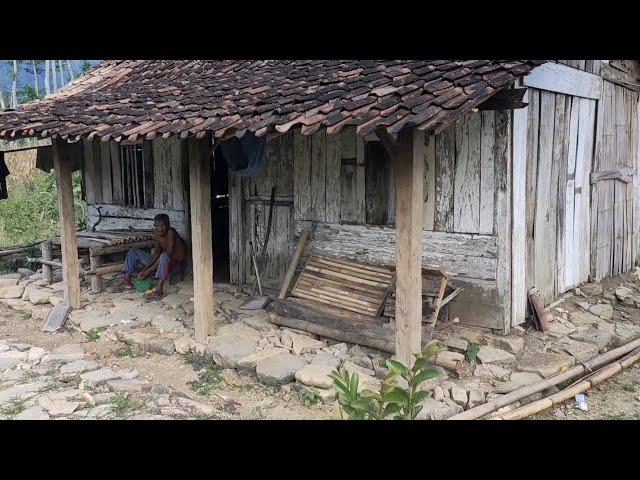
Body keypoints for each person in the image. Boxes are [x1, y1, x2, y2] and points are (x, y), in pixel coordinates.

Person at [121, 214, 187, 300]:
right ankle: (126, 281)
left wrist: (148, 271)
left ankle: (159, 290)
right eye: (158, 226)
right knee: (133, 251)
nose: (160, 229)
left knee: (164, 255)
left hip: (175, 266)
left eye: (163, 225)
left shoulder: (171, 232)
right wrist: (144, 269)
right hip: (162, 263)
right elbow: (156, 254)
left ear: (168, 225)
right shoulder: (156, 233)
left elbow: (168, 254)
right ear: (154, 226)